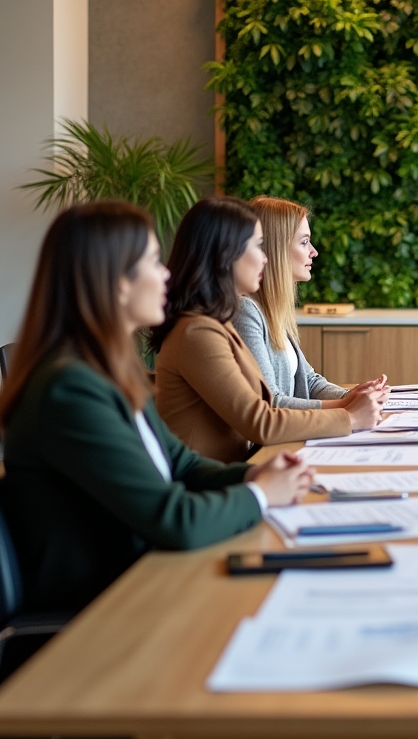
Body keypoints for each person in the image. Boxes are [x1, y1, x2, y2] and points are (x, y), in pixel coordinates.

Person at [0, 201, 315, 615]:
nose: (167, 272)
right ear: (116, 282)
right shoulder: (67, 389)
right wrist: (259, 494)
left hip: (145, 579)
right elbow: (174, 519)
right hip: (104, 612)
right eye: (152, 261)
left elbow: (181, 465)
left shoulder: (107, 371)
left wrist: (255, 473)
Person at [153, 197, 384, 463]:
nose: (265, 258)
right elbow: (262, 419)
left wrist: (351, 401)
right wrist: (350, 416)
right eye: (258, 246)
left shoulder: (215, 323)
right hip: (205, 484)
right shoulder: (198, 331)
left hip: (228, 471)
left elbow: (273, 402)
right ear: (227, 253)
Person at [234, 196, 387, 409]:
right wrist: (348, 408)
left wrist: (354, 394)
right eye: (304, 242)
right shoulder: (246, 311)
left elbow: (310, 381)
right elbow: (271, 402)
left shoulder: (274, 311)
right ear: (277, 248)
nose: (313, 251)